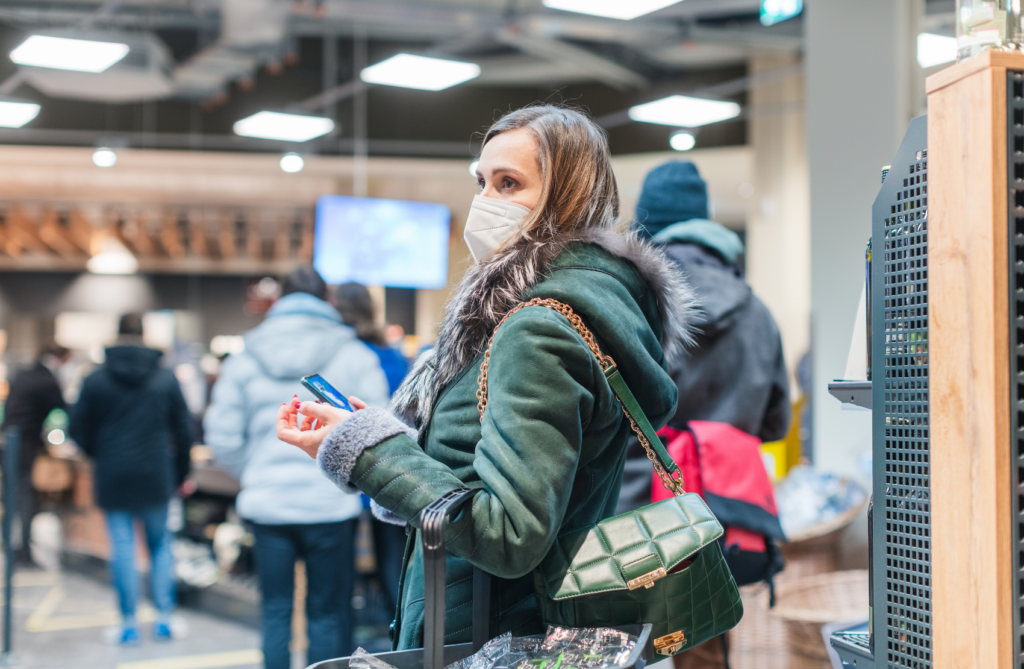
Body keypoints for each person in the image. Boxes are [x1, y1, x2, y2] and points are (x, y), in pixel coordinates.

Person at [277, 105, 693, 647]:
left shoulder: (535, 330)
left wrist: (368, 451)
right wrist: (389, 440)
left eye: (509, 183)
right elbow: (491, 470)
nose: (485, 202)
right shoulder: (559, 315)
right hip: (524, 627)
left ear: (566, 197)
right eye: (482, 181)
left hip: (490, 637)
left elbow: (508, 533)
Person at [624, 161, 791, 669]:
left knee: (611, 645)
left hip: (633, 514)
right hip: (723, 514)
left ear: (645, 229)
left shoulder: (634, 300)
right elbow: (775, 423)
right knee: (703, 641)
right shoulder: (757, 312)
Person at [204, 268, 389, 669]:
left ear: (278, 301)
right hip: (331, 505)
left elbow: (221, 434)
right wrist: (345, 474)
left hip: (267, 505)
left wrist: (253, 472)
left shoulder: (245, 356)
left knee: (274, 612)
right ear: (327, 302)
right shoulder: (353, 352)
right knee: (328, 612)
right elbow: (376, 425)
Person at [69, 314, 192, 645]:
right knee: (159, 546)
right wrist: (180, 474)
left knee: (123, 548)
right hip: (156, 473)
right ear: (144, 335)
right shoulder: (165, 378)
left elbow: (76, 429)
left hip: (113, 473)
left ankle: (128, 624)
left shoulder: (96, 379)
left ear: (117, 334)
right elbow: (184, 430)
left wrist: (101, 454)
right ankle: (164, 619)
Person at [334, 281, 410, 614]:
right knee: (392, 557)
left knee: (339, 565)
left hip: (345, 470)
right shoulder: (393, 355)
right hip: (391, 467)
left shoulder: (340, 355)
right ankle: (396, 629)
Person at [1, 341, 71, 567]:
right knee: (24, 495)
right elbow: (64, 408)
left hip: (10, 442)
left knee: (13, 494)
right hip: (23, 444)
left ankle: (12, 547)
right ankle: (22, 551)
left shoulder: (26, 374)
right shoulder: (46, 380)